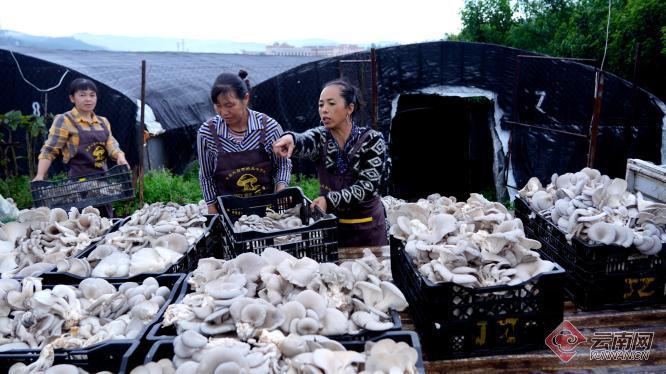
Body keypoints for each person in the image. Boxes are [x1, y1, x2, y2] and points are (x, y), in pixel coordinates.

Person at [272, 79, 388, 247]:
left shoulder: (372, 140)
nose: (324, 110)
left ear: (350, 108)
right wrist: (291, 139)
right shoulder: (322, 138)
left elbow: (367, 188)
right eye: (321, 105)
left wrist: (329, 200)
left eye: (331, 103)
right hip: (333, 227)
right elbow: (305, 139)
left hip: (368, 228)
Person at [197, 71, 292, 214]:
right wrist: (211, 206)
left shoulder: (269, 128)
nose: (223, 112)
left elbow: (283, 164)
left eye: (229, 105)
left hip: (267, 212)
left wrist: (281, 189)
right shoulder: (207, 133)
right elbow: (206, 175)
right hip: (227, 212)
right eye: (218, 105)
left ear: (245, 98)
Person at [34, 78, 128, 217]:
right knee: (81, 223)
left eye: (92, 95)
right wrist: (40, 175)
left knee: (105, 222)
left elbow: (111, 143)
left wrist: (120, 156)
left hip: (102, 183)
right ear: (72, 98)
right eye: (82, 95)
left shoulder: (102, 122)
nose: (88, 99)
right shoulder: (65, 120)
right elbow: (50, 149)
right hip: (78, 183)